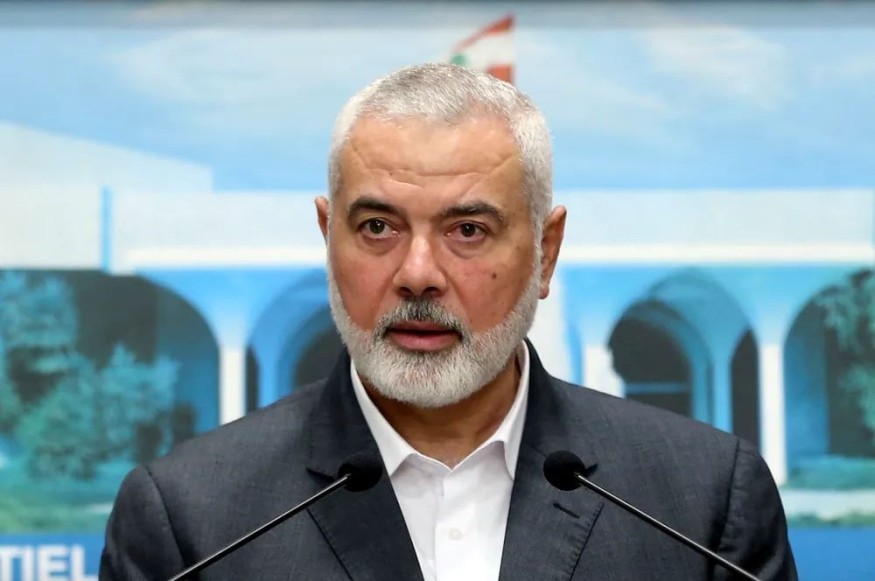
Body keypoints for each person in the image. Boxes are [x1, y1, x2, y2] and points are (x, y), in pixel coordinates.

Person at [100, 63, 797, 580]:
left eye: (468, 230)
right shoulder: (191, 519)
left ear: (546, 252)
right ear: (327, 239)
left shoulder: (700, 502)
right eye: (377, 226)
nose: (417, 273)